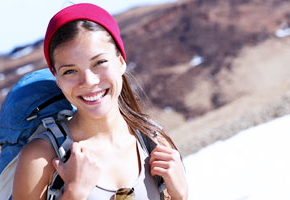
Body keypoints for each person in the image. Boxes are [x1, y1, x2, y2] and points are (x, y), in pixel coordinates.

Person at [13, 3, 188, 200]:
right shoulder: (41, 157)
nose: (89, 81)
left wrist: (180, 196)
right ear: (57, 79)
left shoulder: (156, 144)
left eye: (99, 62)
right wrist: (74, 192)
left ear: (121, 61)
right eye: (70, 71)